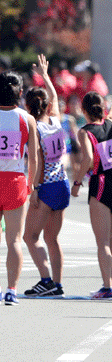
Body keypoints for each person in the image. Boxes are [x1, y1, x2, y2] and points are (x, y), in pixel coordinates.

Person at [71, 78, 112, 299]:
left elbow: (88, 157)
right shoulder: (110, 122)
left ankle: (108, 287)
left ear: (84, 110)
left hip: (100, 183)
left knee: (102, 242)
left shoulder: (85, 131)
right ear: (103, 108)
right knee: (109, 239)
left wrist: (77, 182)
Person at [23, 55, 69, 298]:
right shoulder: (56, 121)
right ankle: (57, 284)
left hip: (46, 185)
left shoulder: (34, 127)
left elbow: (37, 160)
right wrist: (46, 76)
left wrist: (35, 188)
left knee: (30, 237)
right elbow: (55, 98)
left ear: (28, 106)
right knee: (52, 239)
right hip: (62, 183)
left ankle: (46, 279)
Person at [0, 71, 39, 305]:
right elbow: (32, 156)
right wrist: (32, 184)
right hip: (15, 180)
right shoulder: (27, 119)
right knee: (14, 239)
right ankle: (11, 290)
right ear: (20, 93)